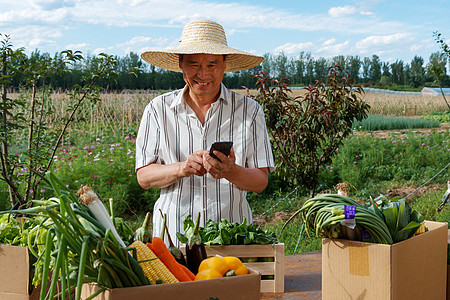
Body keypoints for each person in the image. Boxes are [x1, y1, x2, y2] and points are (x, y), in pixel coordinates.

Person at [136, 20, 274, 245]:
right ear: (181, 64)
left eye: (212, 64)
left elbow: (260, 181)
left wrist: (230, 170)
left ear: (224, 64)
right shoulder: (158, 109)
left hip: (231, 237)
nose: (203, 74)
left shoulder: (249, 111)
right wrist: (182, 168)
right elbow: (144, 177)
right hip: (172, 239)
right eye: (193, 64)